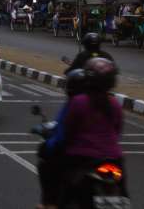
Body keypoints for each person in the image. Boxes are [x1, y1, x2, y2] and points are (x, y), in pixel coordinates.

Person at [60, 57, 126, 205]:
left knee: (66, 193)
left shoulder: (79, 102)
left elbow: (68, 130)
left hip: (83, 159)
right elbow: (117, 130)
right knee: (123, 195)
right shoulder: (114, 103)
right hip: (114, 160)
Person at [36, 68, 88, 209]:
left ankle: (49, 202)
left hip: (78, 154)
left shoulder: (75, 104)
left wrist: (49, 145)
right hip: (110, 155)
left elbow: (62, 132)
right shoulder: (110, 103)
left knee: (45, 159)